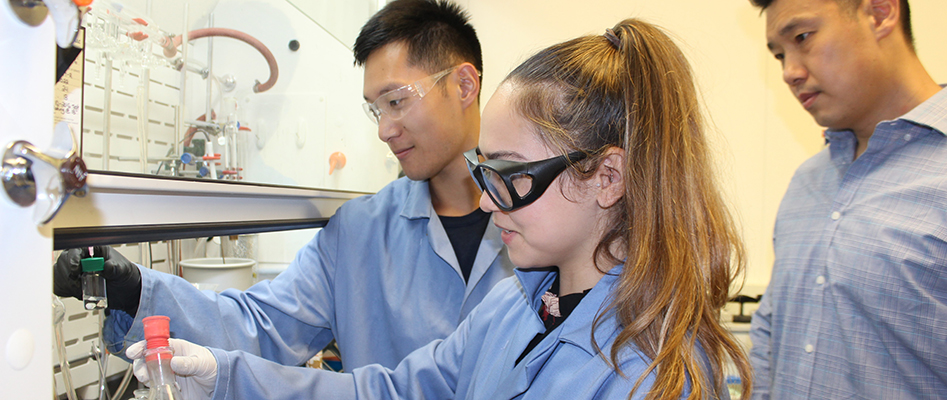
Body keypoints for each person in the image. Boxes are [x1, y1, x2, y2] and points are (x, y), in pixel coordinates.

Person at [127, 18, 754, 400]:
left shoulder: (654, 371)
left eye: (509, 175)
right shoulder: (519, 306)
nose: (487, 198)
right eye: (487, 172)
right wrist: (225, 377)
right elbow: (394, 390)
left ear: (607, 176)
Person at [52, 0, 514, 372]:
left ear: (465, 85)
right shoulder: (359, 232)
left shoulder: (545, 218)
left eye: (396, 100)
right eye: (375, 109)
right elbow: (262, 325)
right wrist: (135, 291)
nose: (384, 129)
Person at [747, 0, 947, 398]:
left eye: (802, 37)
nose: (789, 72)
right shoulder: (807, 183)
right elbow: (771, 332)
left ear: (879, 13)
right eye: (780, 54)